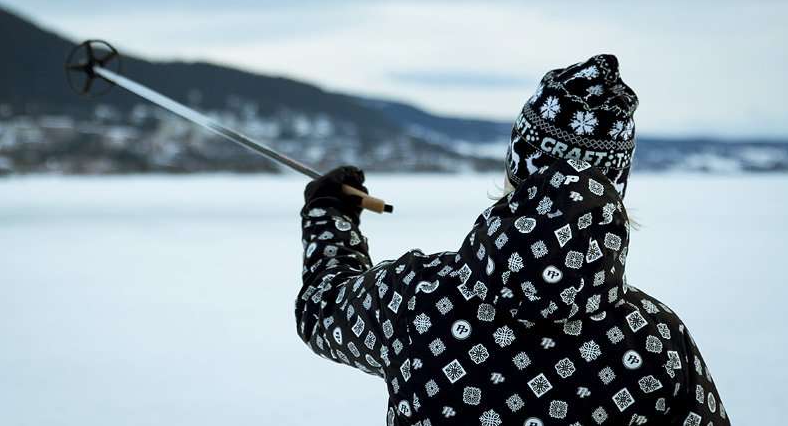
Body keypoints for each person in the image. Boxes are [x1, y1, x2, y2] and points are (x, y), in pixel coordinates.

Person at [296, 55, 729, 425]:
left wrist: (328, 214)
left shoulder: (415, 298)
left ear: (516, 171)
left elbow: (321, 308)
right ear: (615, 189)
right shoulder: (657, 341)